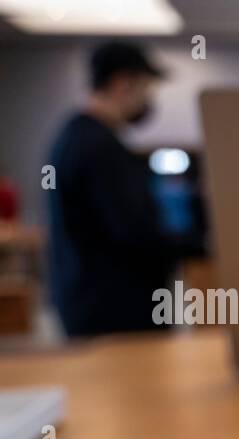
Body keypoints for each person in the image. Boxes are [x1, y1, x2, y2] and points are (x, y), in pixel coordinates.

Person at [46, 41, 204, 338]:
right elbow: (136, 231)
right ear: (122, 83)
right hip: (114, 314)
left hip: (91, 305)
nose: (150, 98)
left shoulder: (76, 137)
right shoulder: (99, 148)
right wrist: (202, 245)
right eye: (146, 87)